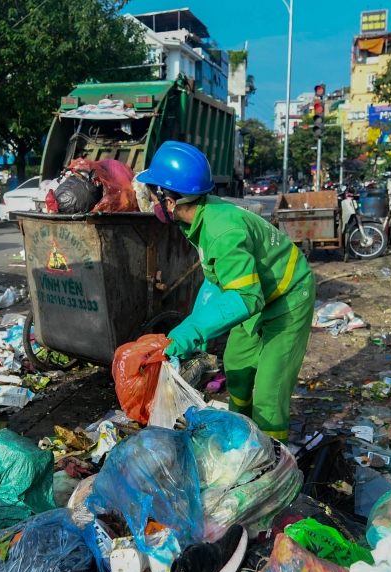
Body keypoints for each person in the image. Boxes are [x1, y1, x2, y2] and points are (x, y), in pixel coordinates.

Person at [135, 142, 315, 441]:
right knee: (237, 369)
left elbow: (246, 297)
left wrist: (190, 331)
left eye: (153, 193)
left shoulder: (222, 229)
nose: (150, 200)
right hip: (256, 292)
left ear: (171, 200)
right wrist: (191, 327)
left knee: (270, 393)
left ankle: (271, 462)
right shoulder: (198, 218)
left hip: (287, 297)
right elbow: (217, 278)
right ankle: (240, 435)